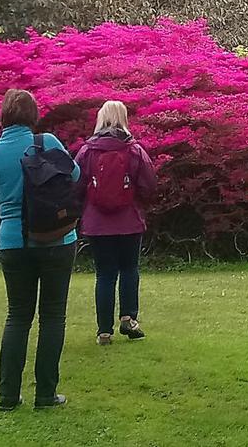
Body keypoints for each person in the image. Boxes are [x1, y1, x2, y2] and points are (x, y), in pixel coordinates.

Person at [0, 88, 79, 411]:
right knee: (53, 317)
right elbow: (74, 176)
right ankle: (46, 394)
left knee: (18, 317)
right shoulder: (47, 142)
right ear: (33, 116)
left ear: (3, 116)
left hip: (12, 242)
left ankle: (8, 396)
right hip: (57, 239)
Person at [75, 100, 156, 345]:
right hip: (129, 221)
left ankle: (104, 331)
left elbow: (75, 185)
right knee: (130, 269)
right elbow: (149, 185)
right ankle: (129, 319)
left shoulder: (87, 151)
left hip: (97, 224)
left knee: (105, 275)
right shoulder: (134, 150)